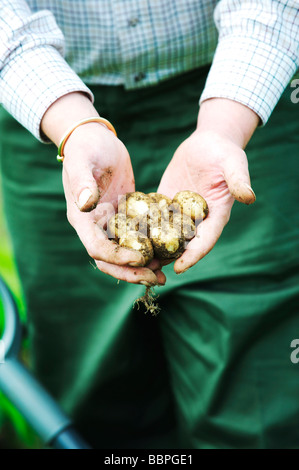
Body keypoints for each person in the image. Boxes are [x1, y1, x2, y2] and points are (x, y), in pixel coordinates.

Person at [0, 0, 299, 449]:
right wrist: (73, 125)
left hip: (239, 88)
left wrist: (223, 128)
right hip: (52, 113)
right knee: (97, 394)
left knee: (253, 395)